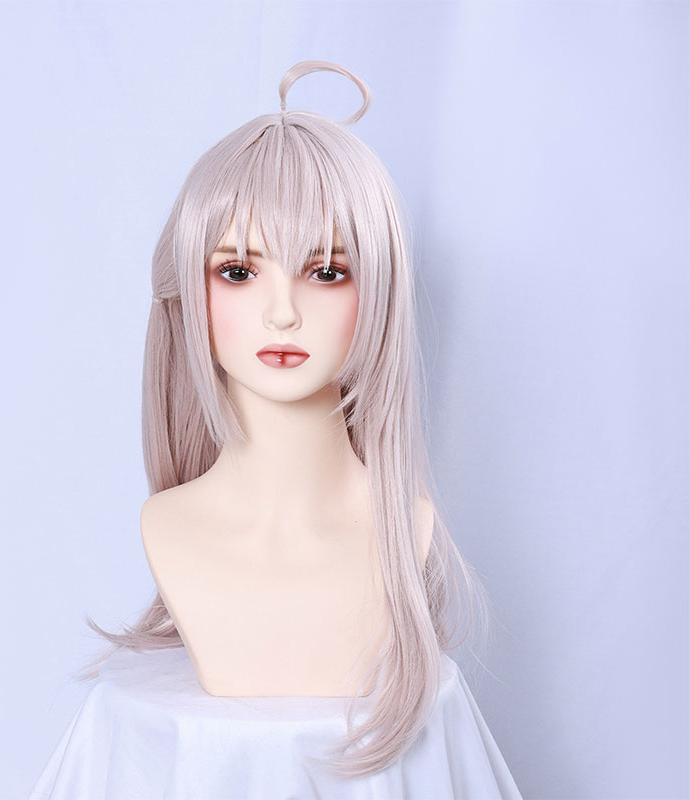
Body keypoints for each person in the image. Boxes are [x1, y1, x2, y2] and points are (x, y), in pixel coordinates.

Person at [29, 60, 522, 797]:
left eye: (326, 272)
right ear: (188, 291)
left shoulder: (406, 527)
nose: (283, 312)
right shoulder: (170, 526)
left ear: (379, 291)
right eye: (238, 272)